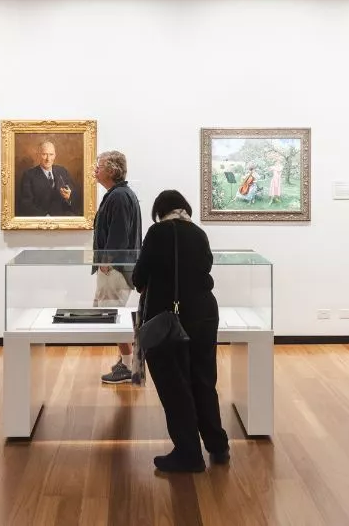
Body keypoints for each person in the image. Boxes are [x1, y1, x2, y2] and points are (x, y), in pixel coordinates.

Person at [132, 189, 229, 473]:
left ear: (159, 211)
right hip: (205, 313)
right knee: (203, 379)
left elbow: (139, 276)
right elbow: (206, 266)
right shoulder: (199, 233)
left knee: (175, 384)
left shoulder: (158, 233)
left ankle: (188, 453)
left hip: (169, 318)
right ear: (184, 208)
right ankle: (218, 445)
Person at [93, 150, 143, 384]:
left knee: (113, 316)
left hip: (115, 269)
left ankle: (128, 366)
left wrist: (107, 260)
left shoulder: (119, 196)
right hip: (116, 267)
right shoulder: (120, 194)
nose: (96, 169)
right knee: (113, 314)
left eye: (99, 166)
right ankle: (126, 362)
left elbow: (120, 233)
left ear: (112, 170)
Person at [18, 141, 80, 217]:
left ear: (55, 155)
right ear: (38, 155)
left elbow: (76, 197)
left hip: (63, 219)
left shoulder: (62, 171)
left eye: (51, 154)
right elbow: (26, 204)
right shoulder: (28, 175)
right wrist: (44, 217)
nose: (48, 159)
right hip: (40, 221)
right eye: (44, 154)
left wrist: (68, 197)